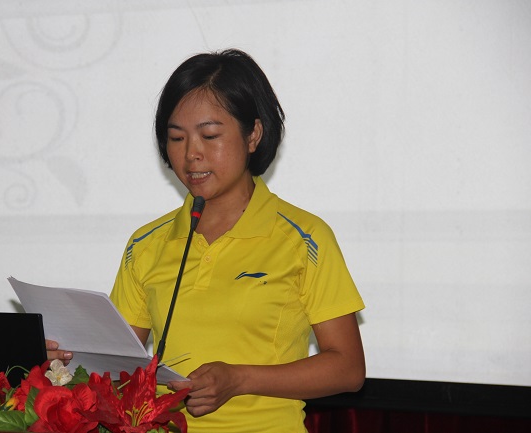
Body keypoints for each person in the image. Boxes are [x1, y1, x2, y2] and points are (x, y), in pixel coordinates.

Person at [48, 49, 365, 432]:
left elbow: (348, 369)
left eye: (210, 135)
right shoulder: (146, 243)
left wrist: (239, 379)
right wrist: (66, 360)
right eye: (176, 138)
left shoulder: (305, 238)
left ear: (253, 135)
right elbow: (116, 367)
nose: (191, 154)